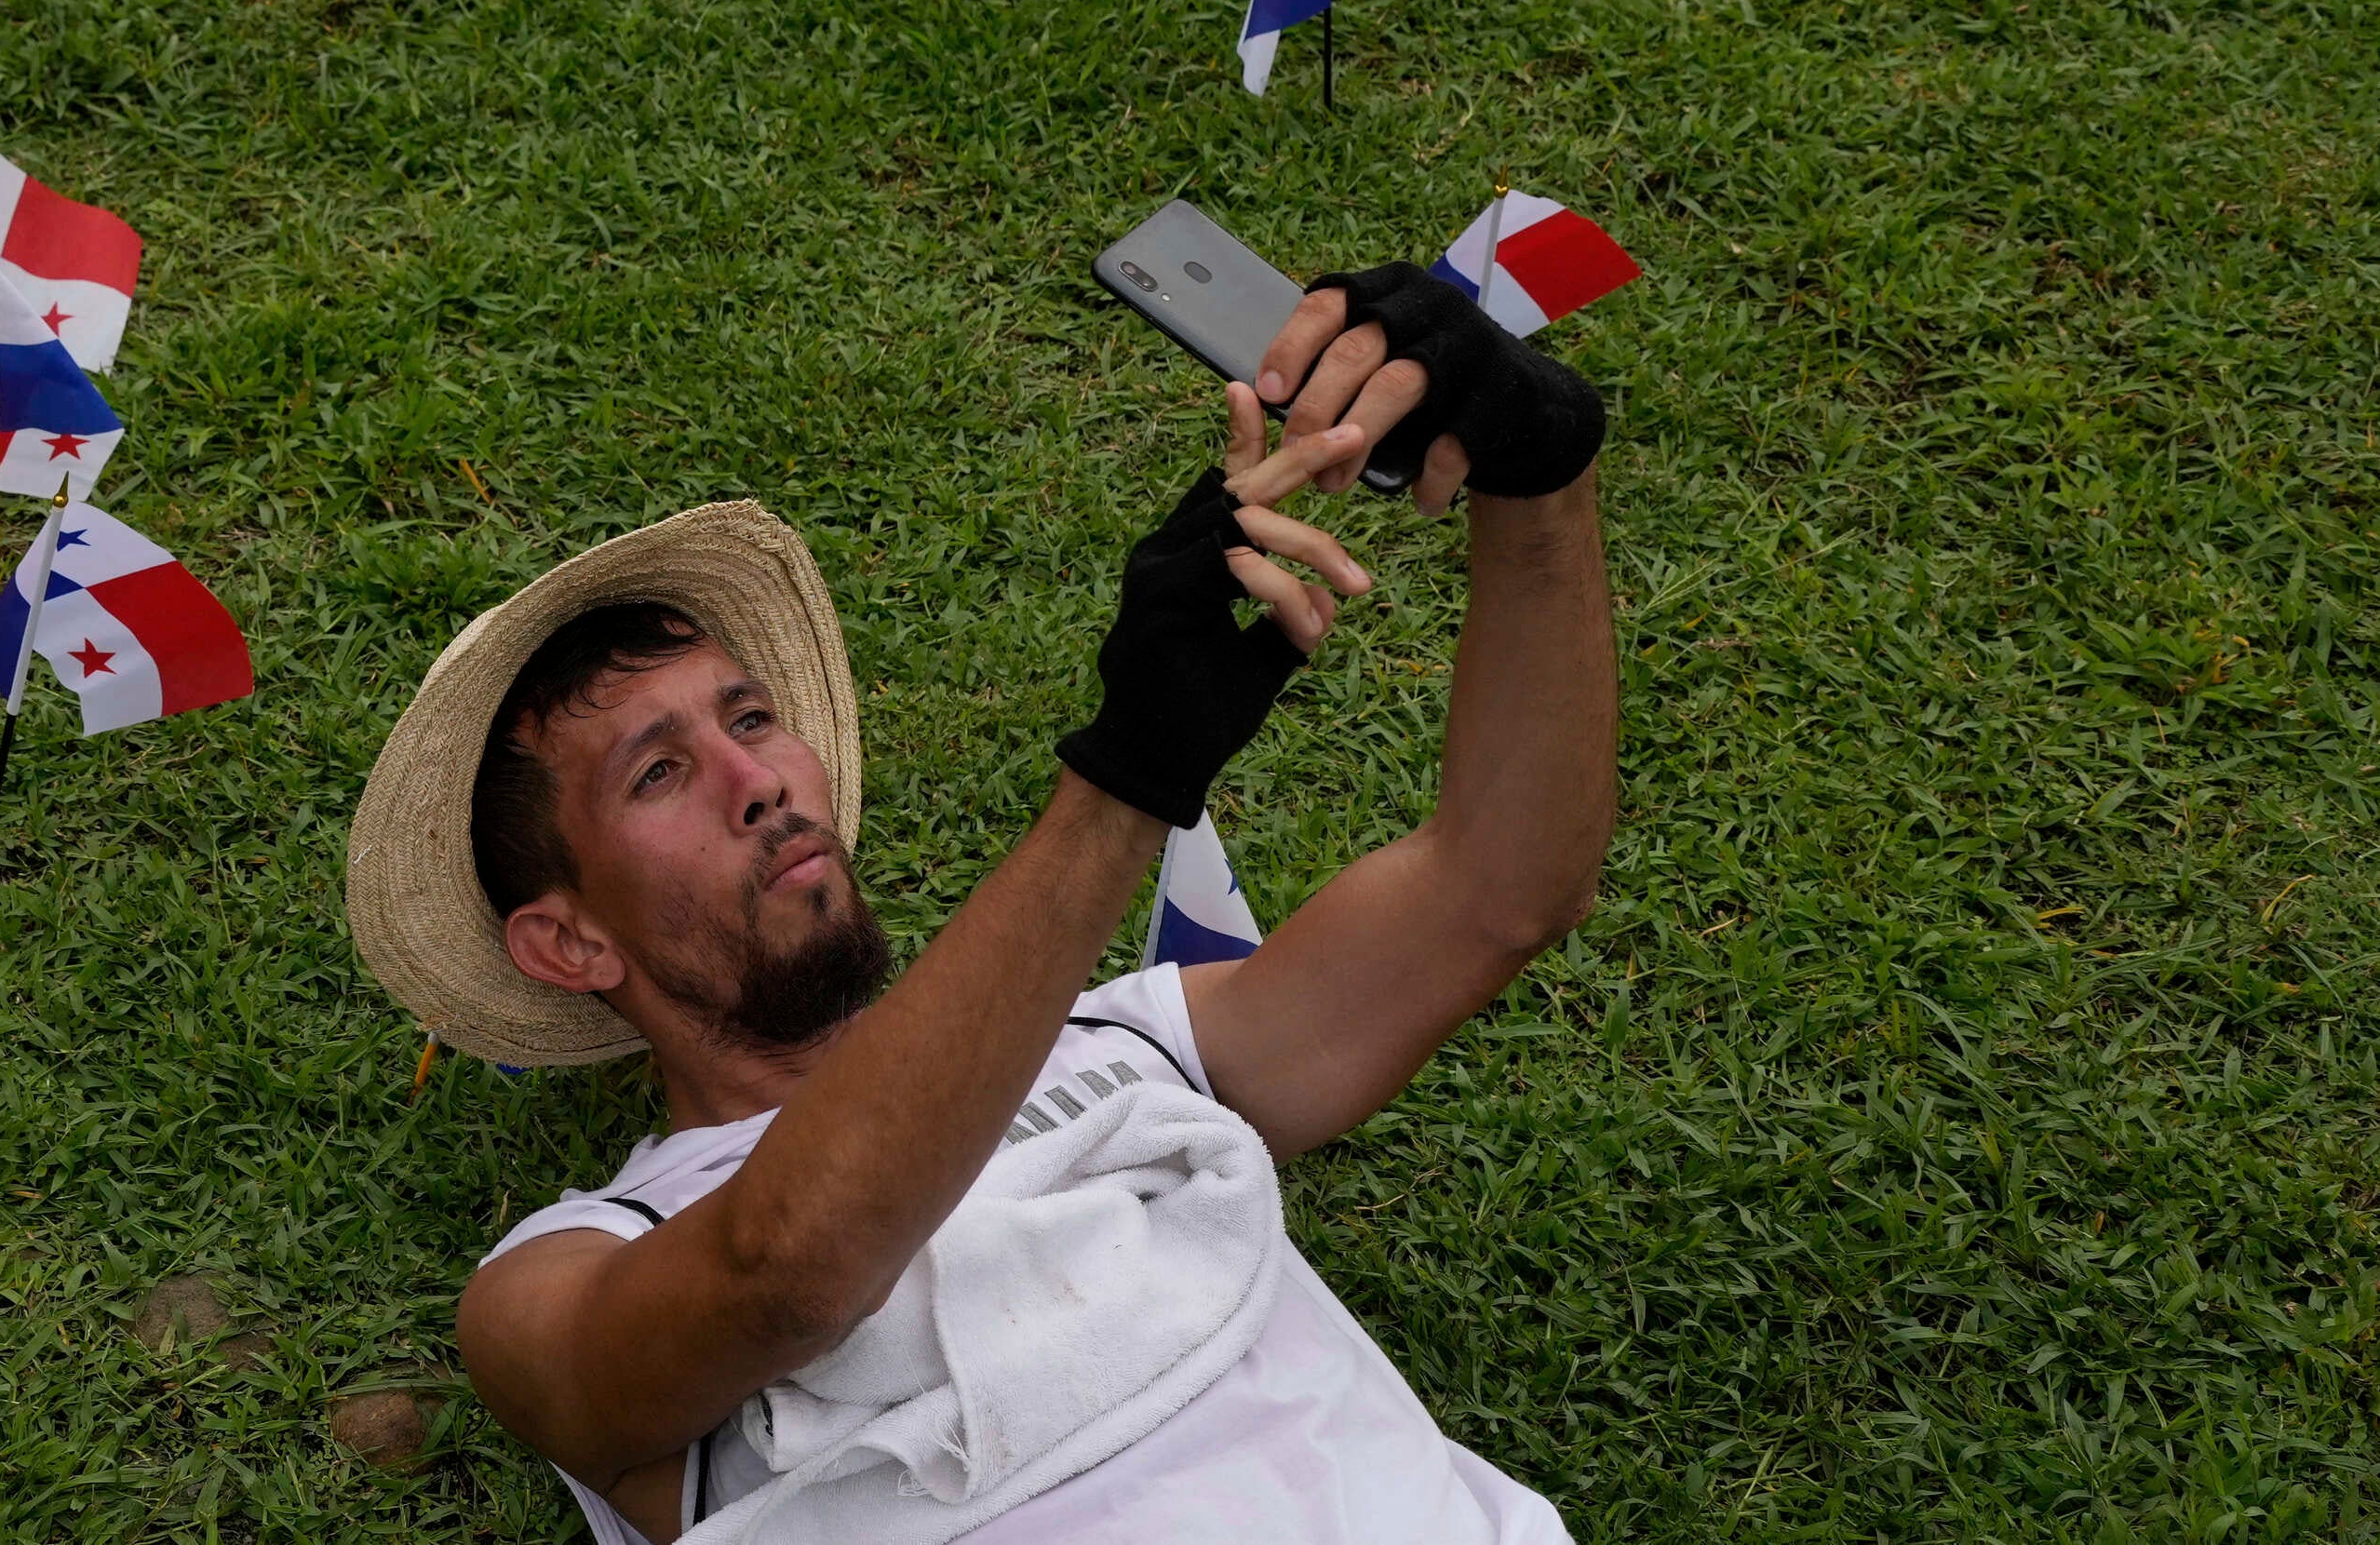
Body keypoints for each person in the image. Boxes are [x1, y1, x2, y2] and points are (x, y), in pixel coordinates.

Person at [342, 264, 1618, 1544]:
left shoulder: (1134, 1044)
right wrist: (1127, 778)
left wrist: (1542, 472)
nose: (758, 780)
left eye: (751, 717)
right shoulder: (562, 1272)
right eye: (659, 771)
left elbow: (1501, 890)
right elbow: (787, 1269)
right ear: (568, 939)